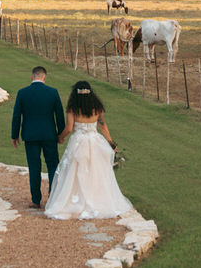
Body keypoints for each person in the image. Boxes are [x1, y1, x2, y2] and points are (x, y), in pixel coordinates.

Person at [45, 81, 133, 220]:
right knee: (96, 171)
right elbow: (103, 125)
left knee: (75, 171)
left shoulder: (72, 108)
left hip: (78, 142)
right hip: (95, 141)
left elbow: (68, 128)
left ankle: (76, 200)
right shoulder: (97, 107)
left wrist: (60, 137)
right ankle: (97, 199)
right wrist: (111, 142)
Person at [11, 66, 66, 209]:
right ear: (44, 77)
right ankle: (52, 197)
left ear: (32, 77)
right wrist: (61, 134)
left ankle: (36, 200)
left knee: (34, 167)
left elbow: (17, 115)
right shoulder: (53, 92)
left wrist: (14, 135)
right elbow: (59, 115)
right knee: (53, 165)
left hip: (30, 135)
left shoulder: (22, 93)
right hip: (49, 135)